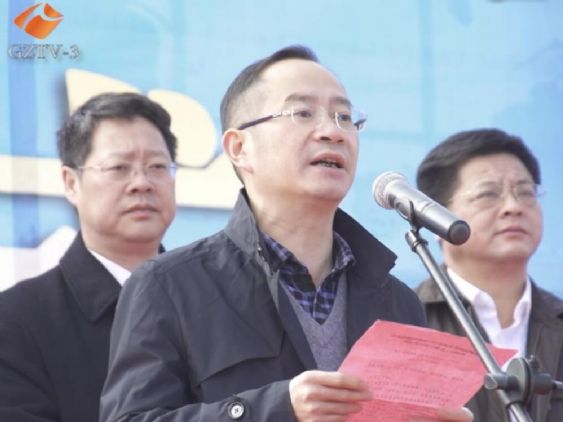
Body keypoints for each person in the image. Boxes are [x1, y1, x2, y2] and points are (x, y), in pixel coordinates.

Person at [100, 46, 472, 422]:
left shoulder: (399, 302)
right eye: (302, 113)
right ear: (239, 148)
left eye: (344, 117)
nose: (332, 132)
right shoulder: (169, 286)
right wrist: (275, 408)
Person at [0, 92, 178, 422]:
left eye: (156, 167)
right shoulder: (15, 321)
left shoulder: (214, 300)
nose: (141, 183)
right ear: (71, 183)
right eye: (119, 168)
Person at [414, 128, 563, 421]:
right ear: (435, 219)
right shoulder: (407, 322)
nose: (514, 207)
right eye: (488, 194)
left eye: (525, 192)